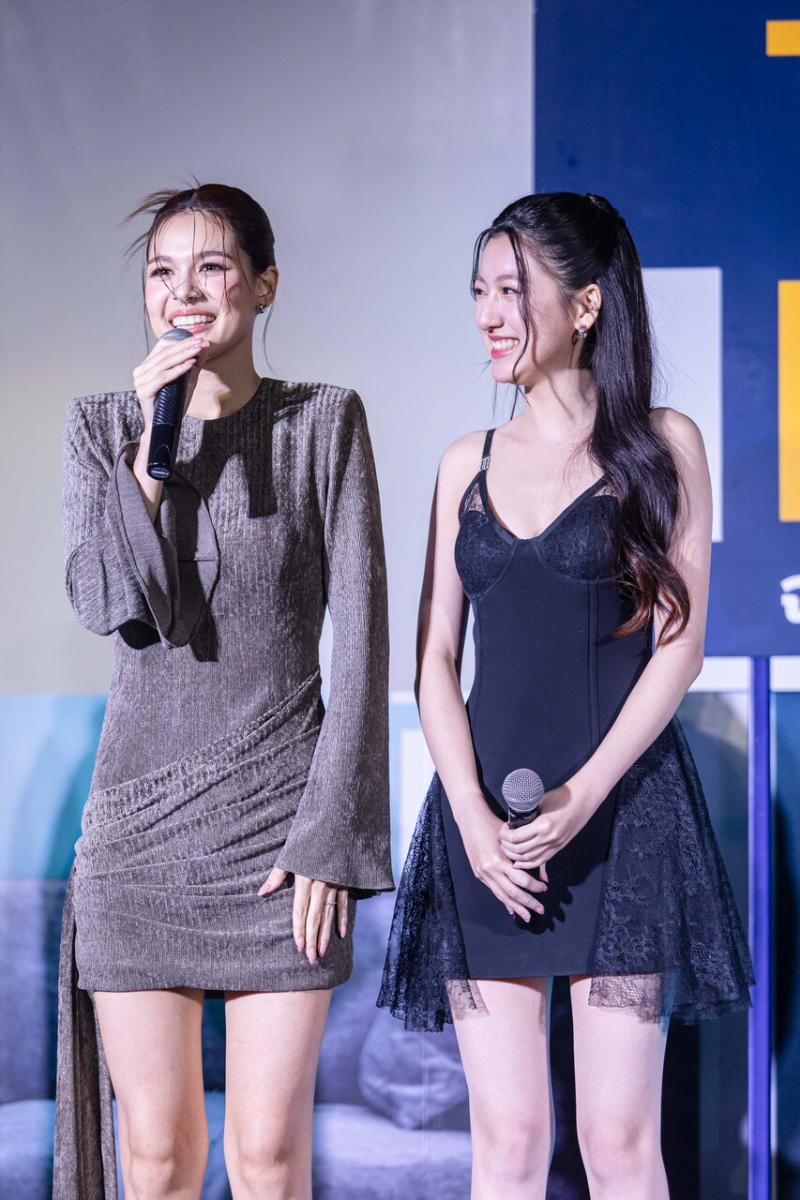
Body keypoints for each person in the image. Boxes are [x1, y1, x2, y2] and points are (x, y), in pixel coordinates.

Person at [379, 191, 753, 1200]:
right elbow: (433, 658)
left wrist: (583, 795)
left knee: (618, 1144)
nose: (487, 315)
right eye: (478, 291)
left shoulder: (662, 444)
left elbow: (679, 646)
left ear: (585, 305)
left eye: (512, 290)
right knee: (505, 1145)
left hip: (623, 820)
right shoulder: (464, 462)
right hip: (484, 837)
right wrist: (470, 821)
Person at [55, 183, 393, 1200]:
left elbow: (362, 642)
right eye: (163, 272)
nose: (185, 292)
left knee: (267, 1157)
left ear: (263, 284)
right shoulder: (101, 428)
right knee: (156, 1160)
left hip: (279, 836)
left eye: (211, 267)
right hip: (138, 835)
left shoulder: (323, 422)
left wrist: (332, 837)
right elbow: (106, 602)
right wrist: (149, 458)